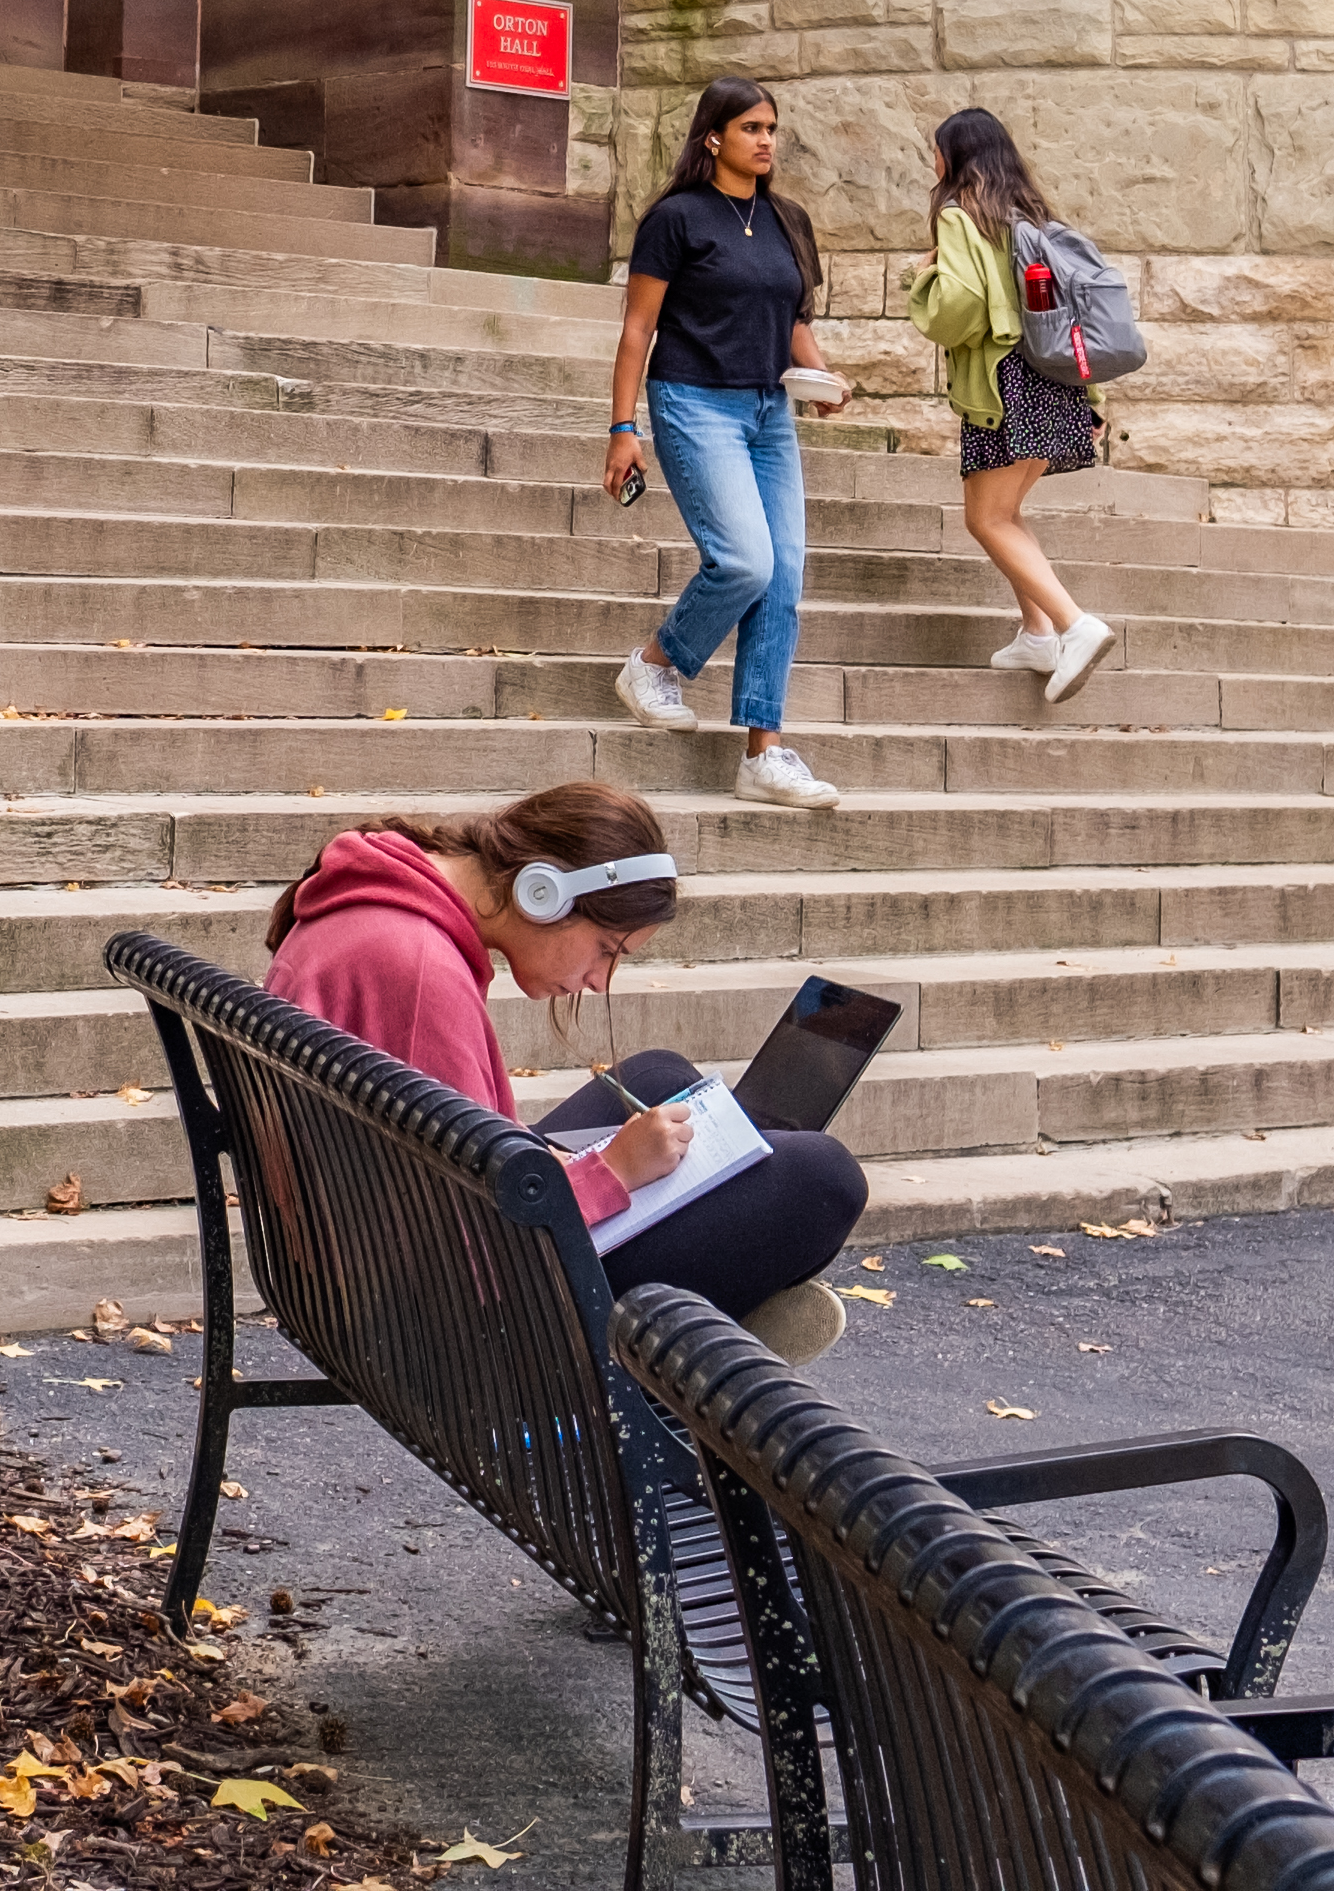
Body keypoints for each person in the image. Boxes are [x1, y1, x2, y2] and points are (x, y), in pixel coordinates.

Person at [264, 781, 867, 1362]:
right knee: (823, 1177)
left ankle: (707, 1325)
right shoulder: (418, 973)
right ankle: (694, 1356)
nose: (599, 981)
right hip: (446, 1320)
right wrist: (609, 1173)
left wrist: (561, 1166)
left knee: (658, 1076)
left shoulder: (381, 906)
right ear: (542, 893)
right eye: (607, 949)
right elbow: (472, 1237)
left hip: (367, 1254)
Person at [606, 78, 849, 809]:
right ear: (714, 136)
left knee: (783, 575)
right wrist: (624, 428)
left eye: (772, 127)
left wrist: (824, 374)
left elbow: (790, 319)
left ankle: (764, 755)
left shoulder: (787, 220)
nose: (767, 140)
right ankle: (655, 663)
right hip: (692, 400)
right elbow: (637, 330)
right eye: (751, 127)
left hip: (770, 410)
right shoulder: (676, 219)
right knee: (743, 560)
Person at [920, 104, 1119, 706]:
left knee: (985, 518)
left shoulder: (961, 217)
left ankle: (1073, 624)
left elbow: (958, 310)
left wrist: (923, 278)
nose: (931, 162)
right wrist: (1092, 396)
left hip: (1006, 386)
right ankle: (1036, 633)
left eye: (934, 151)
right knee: (1005, 513)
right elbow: (1069, 321)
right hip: (1055, 382)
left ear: (952, 157)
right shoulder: (1036, 221)